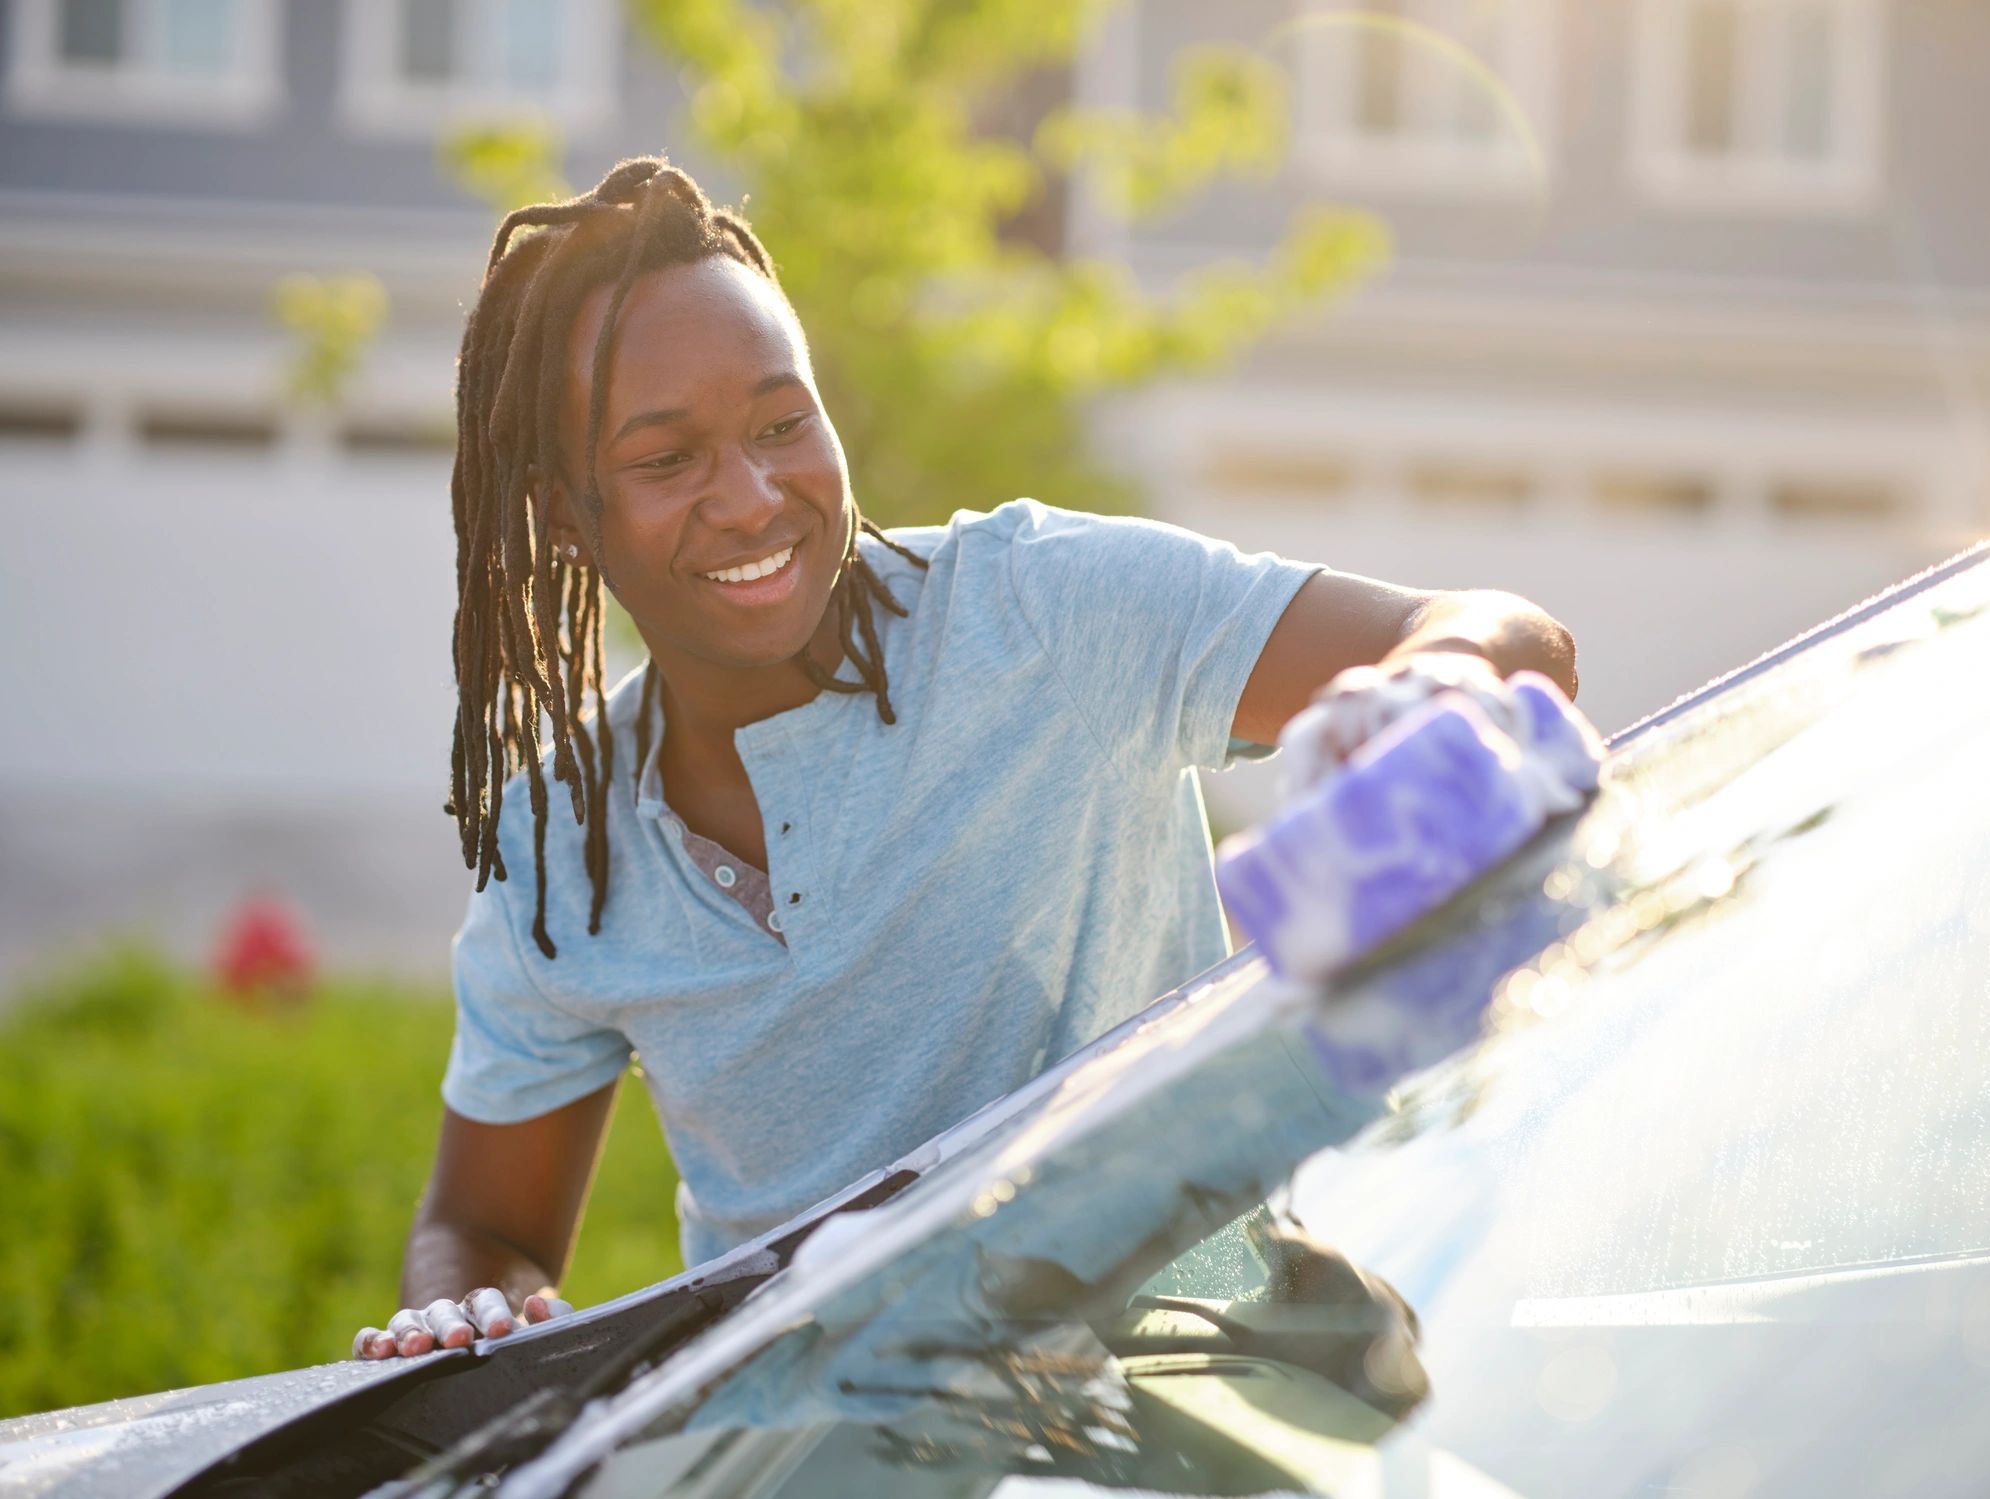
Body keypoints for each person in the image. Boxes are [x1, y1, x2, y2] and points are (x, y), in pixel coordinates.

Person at [352, 157, 1580, 1360]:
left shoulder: (1042, 607)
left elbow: (1508, 634)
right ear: (567, 517)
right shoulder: (559, 848)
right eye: (667, 459)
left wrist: (1436, 684)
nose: (752, 494)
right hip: (829, 1437)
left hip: (1187, 1378)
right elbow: (485, 1224)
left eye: (784, 424)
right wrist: (468, 1307)